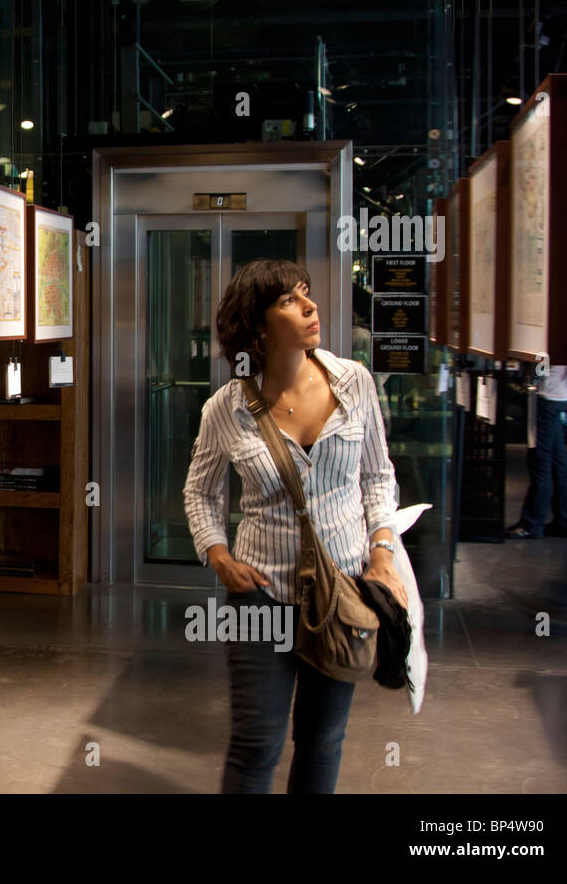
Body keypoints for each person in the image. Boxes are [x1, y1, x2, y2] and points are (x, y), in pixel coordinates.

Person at [183, 259, 405, 794]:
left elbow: (378, 476)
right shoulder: (227, 408)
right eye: (289, 300)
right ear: (256, 326)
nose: (310, 307)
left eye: (306, 294)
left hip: (343, 591)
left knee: (323, 739)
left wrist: (381, 552)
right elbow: (200, 491)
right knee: (256, 743)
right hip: (260, 594)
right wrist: (218, 555)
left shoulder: (353, 383)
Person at [506, 365, 567, 539]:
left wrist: (527, 379)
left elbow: (539, 367)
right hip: (561, 395)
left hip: (545, 398)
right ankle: (565, 521)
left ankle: (531, 523)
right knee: (558, 462)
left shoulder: (550, 340)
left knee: (541, 463)